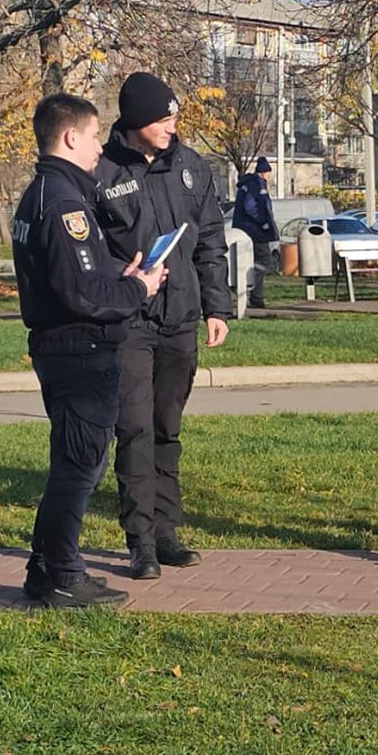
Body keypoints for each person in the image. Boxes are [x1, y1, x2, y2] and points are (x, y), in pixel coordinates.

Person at [12, 93, 166, 608]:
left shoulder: (44, 193)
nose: (101, 147)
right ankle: (62, 573)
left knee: (70, 465)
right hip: (80, 351)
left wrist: (119, 275)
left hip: (65, 348)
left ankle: (46, 567)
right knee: (79, 468)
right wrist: (139, 288)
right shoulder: (64, 203)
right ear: (71, 136)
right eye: (95, 136)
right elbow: (82, 295)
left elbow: (76, 276)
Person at [95, 72, 231, 580]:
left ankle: (167, 532)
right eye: (162, 118)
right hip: (129, 320)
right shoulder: (101, 171)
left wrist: (217, 308)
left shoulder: (191, 166)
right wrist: (122, 277)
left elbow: (210, 240)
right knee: (134, 429)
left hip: (181, 319)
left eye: (174, 116)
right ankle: (141, 541)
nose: (172, 126)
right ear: (136, 121)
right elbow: (89, 251)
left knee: (166, 429)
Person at [232, 156, 278, 308]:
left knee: (248, 262)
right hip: (255, 232)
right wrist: (263, 222)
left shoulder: (247, 183)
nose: (270, 175)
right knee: (264, 262)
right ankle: (255, 295)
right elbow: (251, 207)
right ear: (264, 172)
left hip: (245, 230)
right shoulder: (256, 185)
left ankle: (248, 293)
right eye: (269, 172)